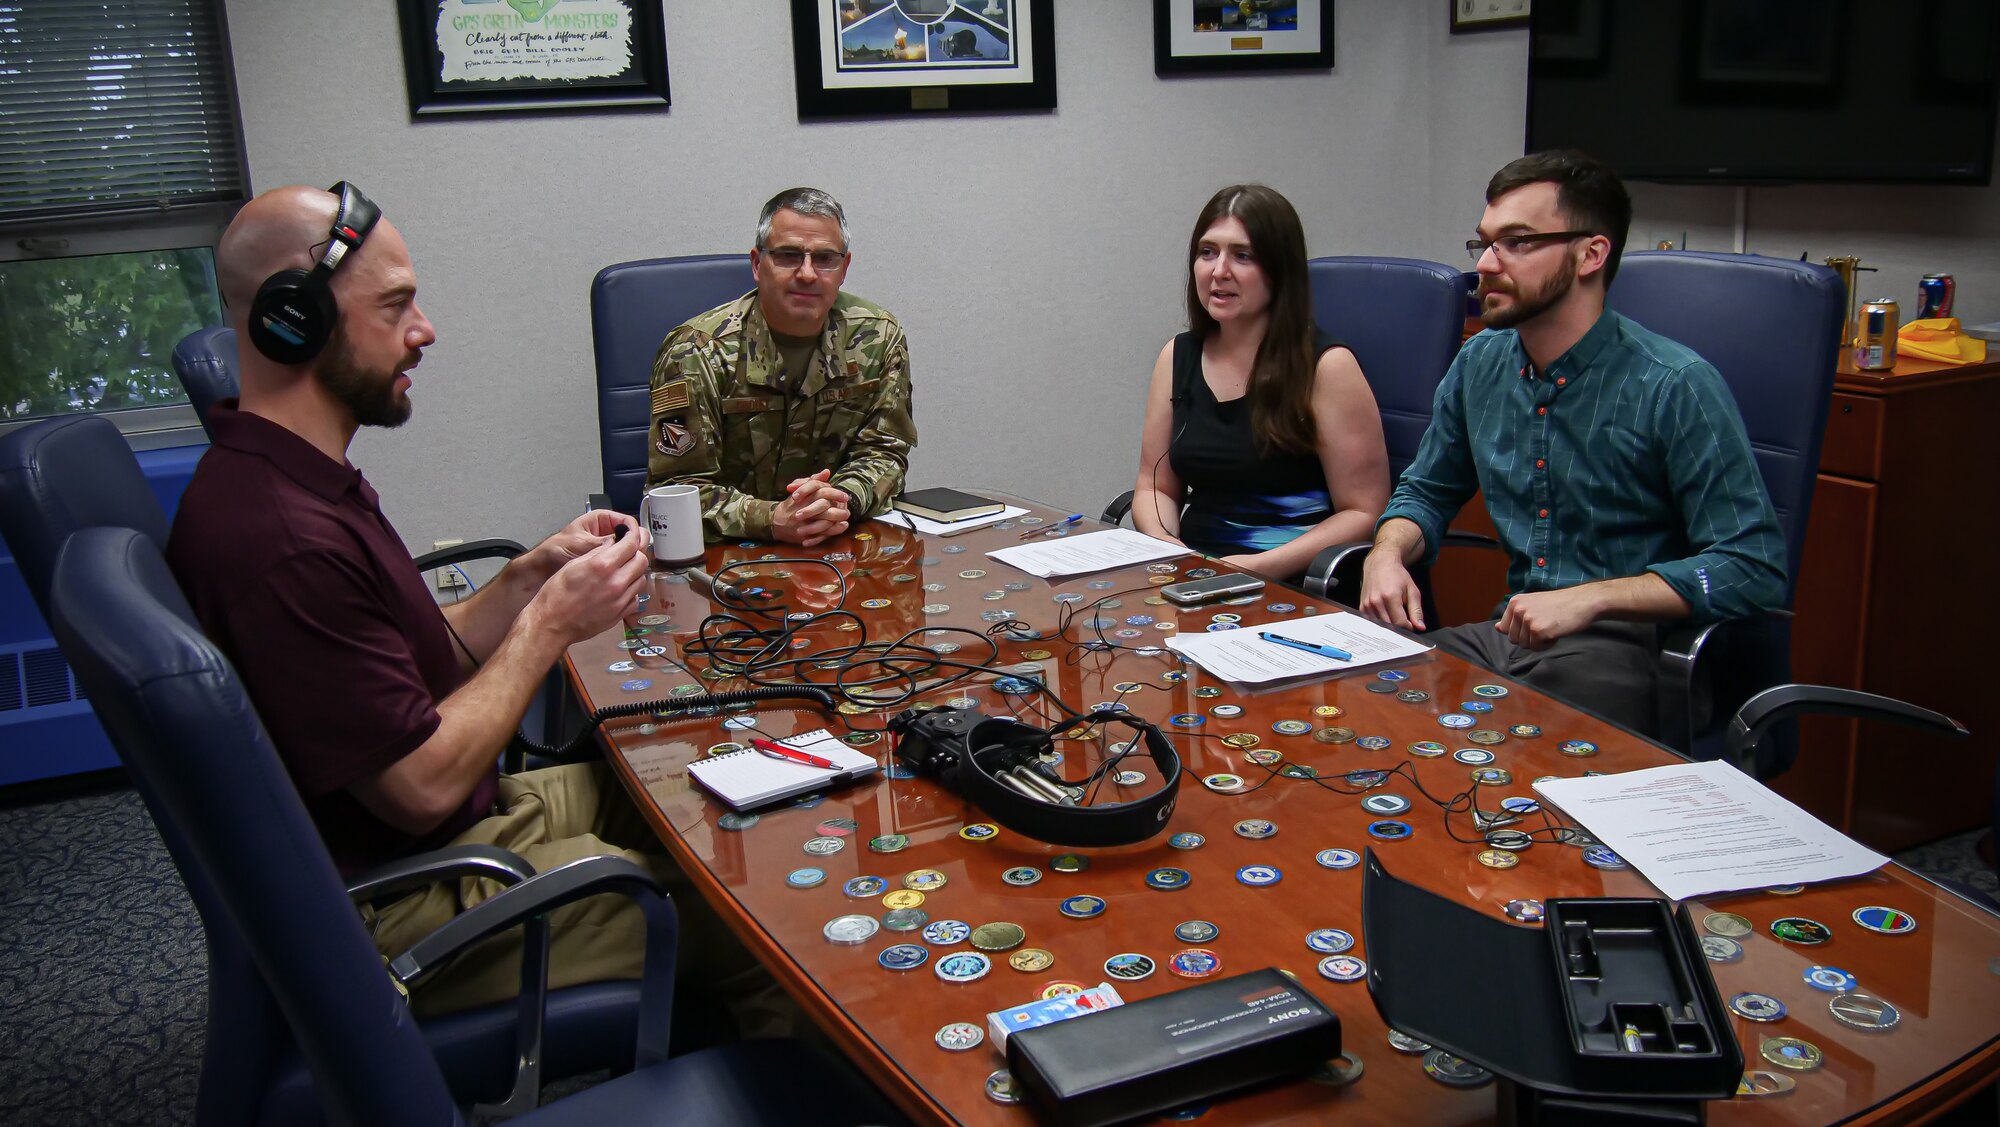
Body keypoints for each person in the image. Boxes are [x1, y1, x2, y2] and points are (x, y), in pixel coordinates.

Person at [167, 183, 785, 1032]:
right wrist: (549, 625)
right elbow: (419, 786)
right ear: (294, 319)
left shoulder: (295, 473)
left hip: (464, 822)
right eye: (395, 306)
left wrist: (528, 578)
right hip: (412, 897)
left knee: (726, 787)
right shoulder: (281, 537)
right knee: (759, 908)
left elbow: (413, 669)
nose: (423, 330)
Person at [1359, 150, 1786, 739]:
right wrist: (1385, 553)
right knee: (1369, 704)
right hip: (1510, 638)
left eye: (1517, 242)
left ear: (1591, 254)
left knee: (1497, 748)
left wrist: (1592, 598)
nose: (1486, 263)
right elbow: (1426, 491)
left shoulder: (1673, 384)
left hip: (1631, 654)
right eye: (1484, 242)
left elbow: (1752, 566)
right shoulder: (1480, 362)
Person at [1130, 184, 1390, 581]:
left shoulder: (1326, 367)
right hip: (1193, 575)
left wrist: (1250, 568)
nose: (1219, 271)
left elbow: (1364, 512)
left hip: (1294, 581)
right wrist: (1170, 548)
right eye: (1207, 252)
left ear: (1279, 269)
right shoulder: (1177, 356)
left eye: (1243, 256)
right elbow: (1156, 487)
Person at [646, 187, 915, 547]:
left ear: (844, 267)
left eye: (824, 258)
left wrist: (842, 499)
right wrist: (772, 518)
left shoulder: (878, 336)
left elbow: (885, 451)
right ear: (758, 265)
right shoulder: (697, 352)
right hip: (728, 556)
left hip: (839, 541)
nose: (807, 273)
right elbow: (675, 490)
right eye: (789, 256)